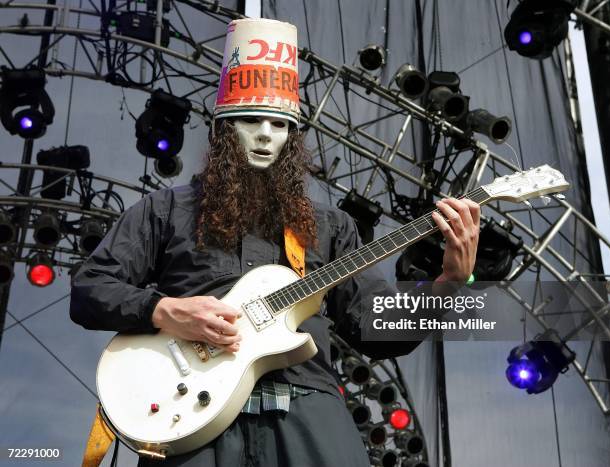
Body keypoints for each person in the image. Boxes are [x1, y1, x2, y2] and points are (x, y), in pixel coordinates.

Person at [70, 18, 480, 467]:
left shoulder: (331, 226)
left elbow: (375, 329)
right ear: (223, 129)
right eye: (250, 120)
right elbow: (90, 287)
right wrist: (167, 310)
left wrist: (448, 284)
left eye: (280, 124)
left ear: (292, 137)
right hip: (189, 421)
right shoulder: (166, 210)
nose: (266, 134)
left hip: (307, 412)